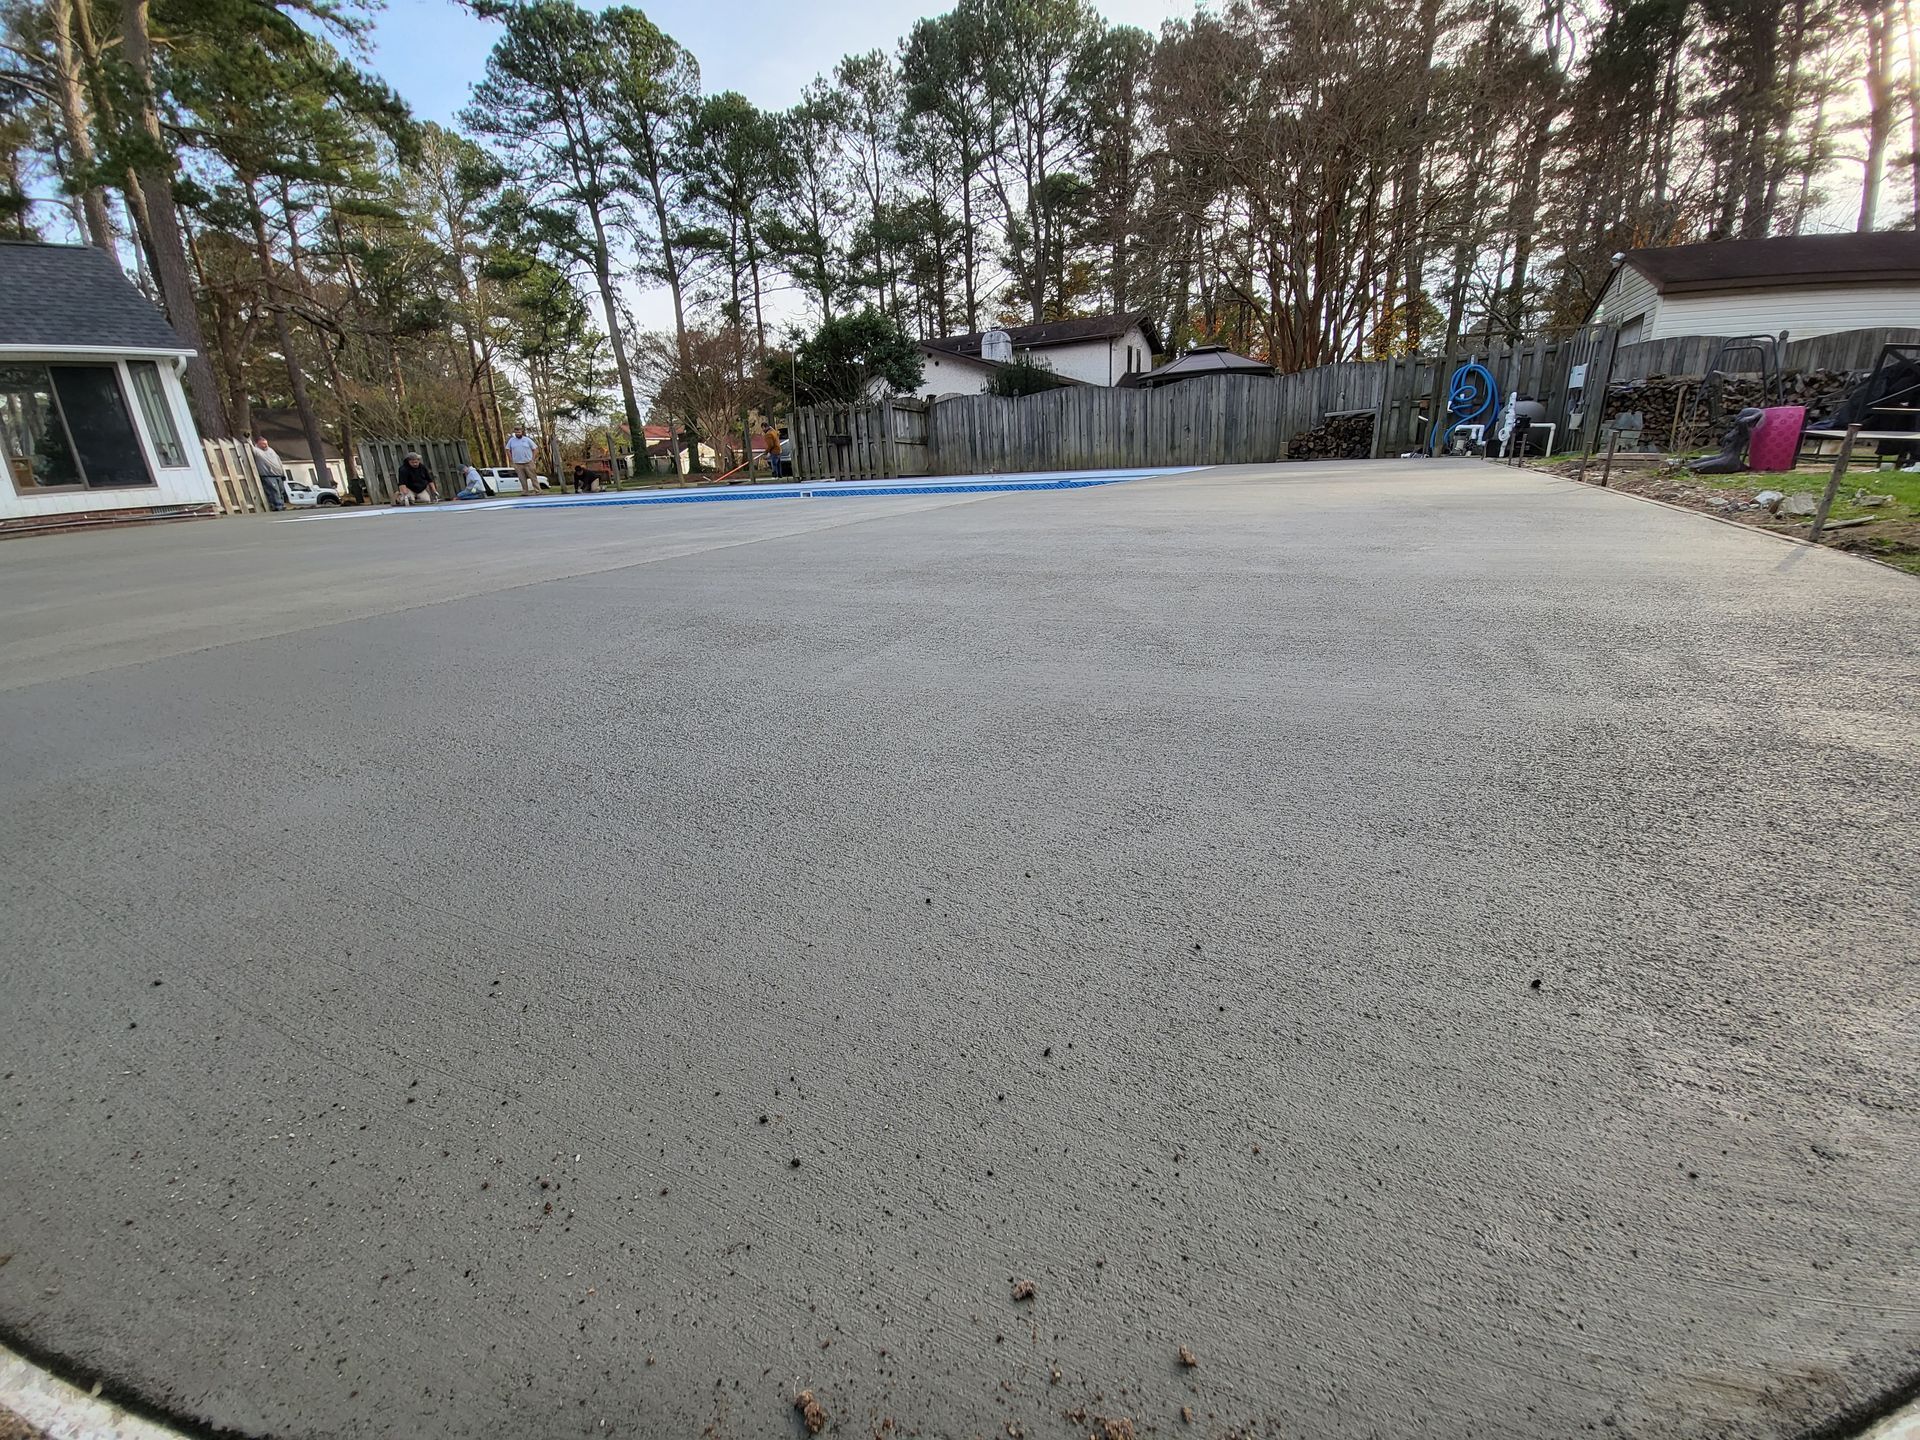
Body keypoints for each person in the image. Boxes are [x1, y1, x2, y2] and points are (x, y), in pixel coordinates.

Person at [250, 434, 289, 512]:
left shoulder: (271, 450)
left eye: (266, 443)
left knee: (280, 490)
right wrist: (248, 438)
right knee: (274, 491)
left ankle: (281, 504)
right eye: (263, 444)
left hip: (278, 474)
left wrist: (283, 473)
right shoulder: (257, 451)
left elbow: (278, 460)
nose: (265, 445)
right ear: (258, 444)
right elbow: (250, 446)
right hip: (268, 475)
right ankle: (277, 506)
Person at [505, 427, 539, 492]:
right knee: (522, 478)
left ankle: (538, 490)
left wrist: (533, 459)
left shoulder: (527, 440)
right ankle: (525, 491)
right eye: (516, 433)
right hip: (517, 463)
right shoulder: (512, 440)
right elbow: (507, 449)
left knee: (533, 477)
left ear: (521, 432)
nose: (517, 434)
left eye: (519, 432)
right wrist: (511, 460)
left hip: (528, 462)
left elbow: (535, 449)